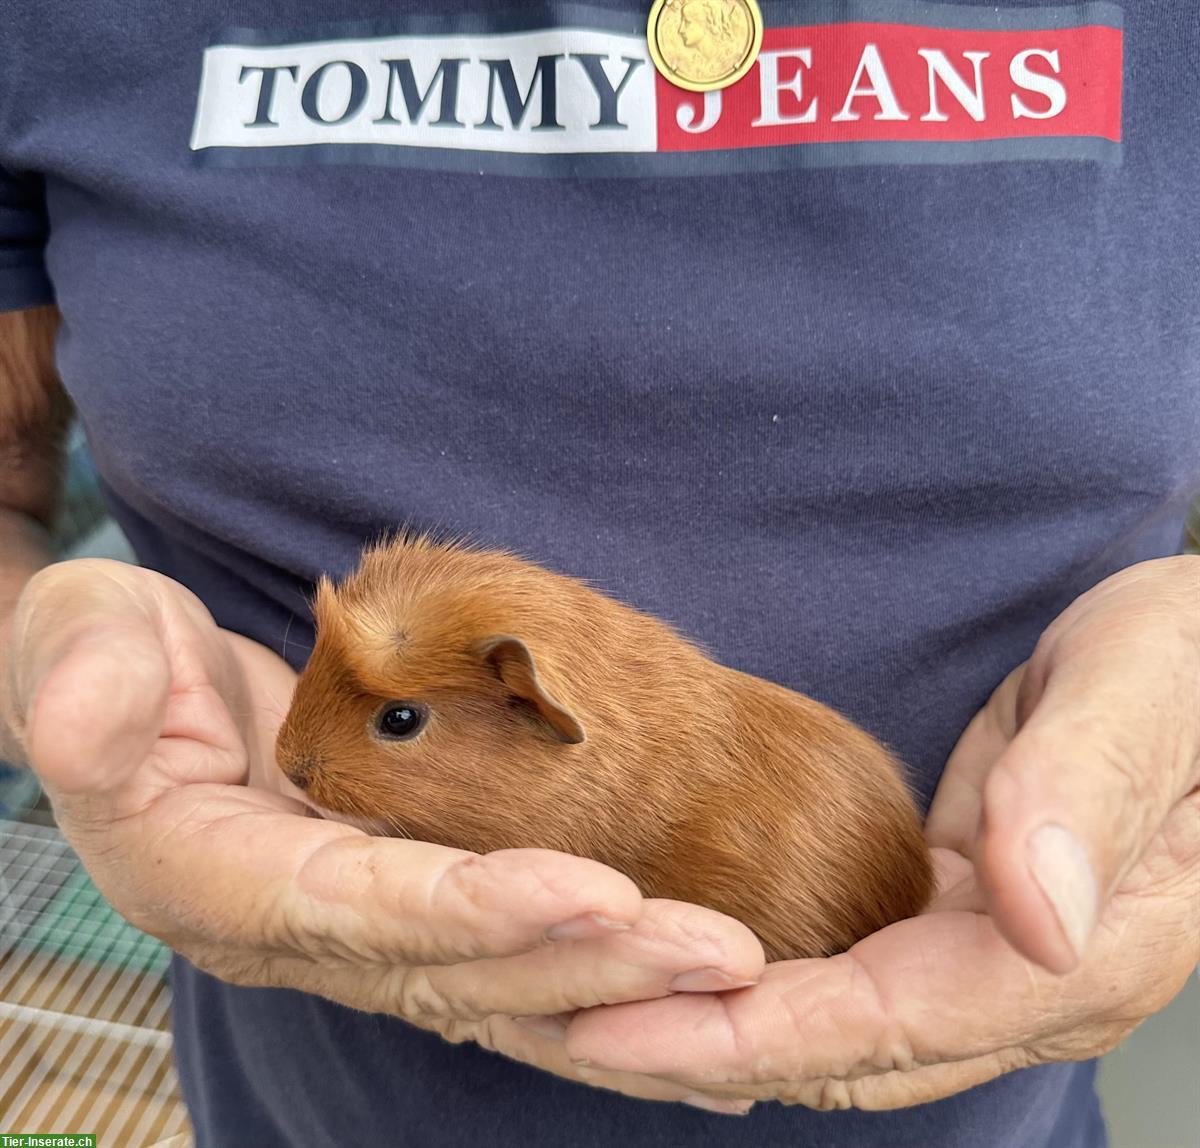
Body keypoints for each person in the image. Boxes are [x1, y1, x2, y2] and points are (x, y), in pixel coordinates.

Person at [1, 2, 1198, 1145]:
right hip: (305, 1102)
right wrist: (35, 663)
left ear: (539, 703)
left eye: (401, 717)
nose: (300, 757)